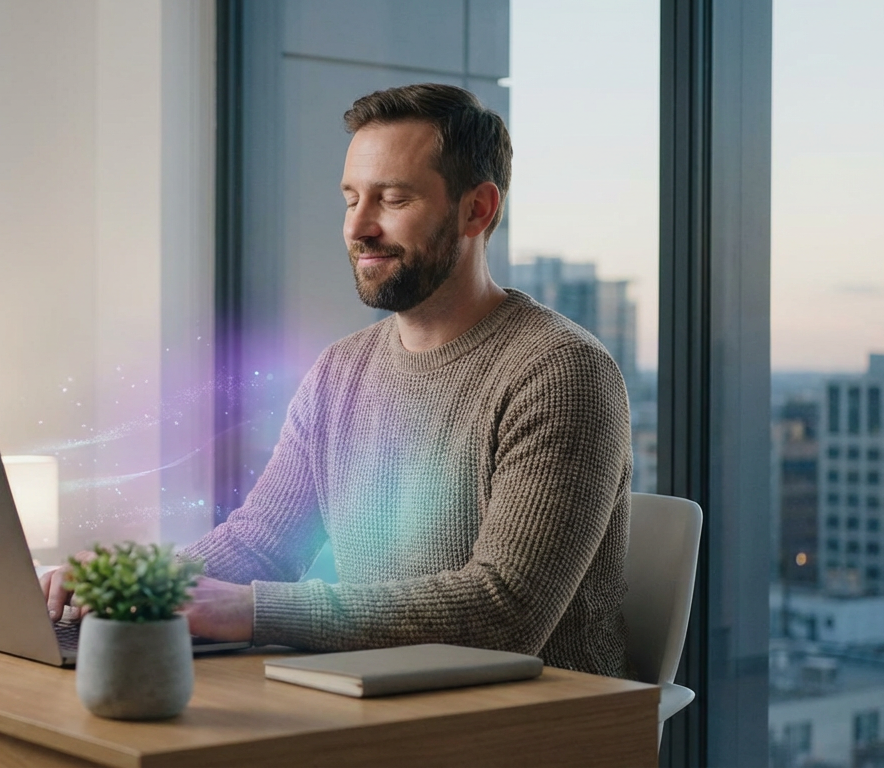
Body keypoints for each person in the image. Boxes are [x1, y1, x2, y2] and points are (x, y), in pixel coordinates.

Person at [42, 83, 631, 678]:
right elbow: (260, 545)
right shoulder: (341, 370)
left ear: (477, 208)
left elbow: (505, 613)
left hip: (533, 726)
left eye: (393, 199)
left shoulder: (560, 371)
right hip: (381, 700)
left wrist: (250, 612)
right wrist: (120, 585)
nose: (359, 228)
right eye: (351, 199)